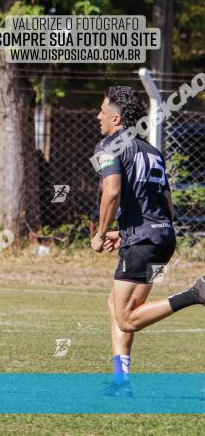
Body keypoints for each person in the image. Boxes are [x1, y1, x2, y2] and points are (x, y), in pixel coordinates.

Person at [91, 86, 204, 395]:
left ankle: (194, 294)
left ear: (116, 118)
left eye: (103, 110)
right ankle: (121, 381)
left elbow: (111, 192)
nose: (98, 115)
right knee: (119, 305)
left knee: (126, 318)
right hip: (162, 240)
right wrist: (125, 232)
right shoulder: (152, 151)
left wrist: (101, 234)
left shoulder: (109, 146)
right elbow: (165, 203)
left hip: (142, 243)